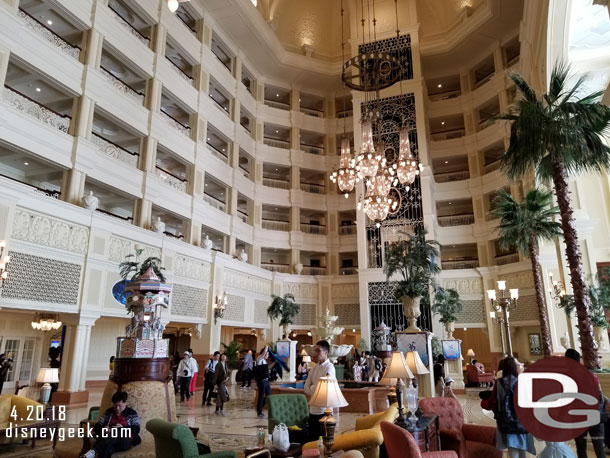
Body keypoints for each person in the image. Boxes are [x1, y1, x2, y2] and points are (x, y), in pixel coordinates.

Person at [565, 348, 606, 458]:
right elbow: (600, 395)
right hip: (595, 415)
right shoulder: (591, 375)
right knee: (599, 448)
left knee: (581, 448)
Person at [495, 357, 536, 457]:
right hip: (521, 421)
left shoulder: (499, 383)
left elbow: (499, 402)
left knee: (512, 450)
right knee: (523, 450)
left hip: (507, 421)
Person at [83, 391, 141, 458]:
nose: (117, 408)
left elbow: (136, 429)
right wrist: (104, 429)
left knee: (118, 430)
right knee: (106, 449)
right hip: (108, 440)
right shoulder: (109, 412)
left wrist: (123, 428)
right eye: (115, 406)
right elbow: (97, 425)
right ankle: (95, 451)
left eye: (120, 406)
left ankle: (94, 451)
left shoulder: (132, 413)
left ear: (125, 403)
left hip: (124, 441)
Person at [304, 340, 336, 442]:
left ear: (326, 352)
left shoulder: (330, 367)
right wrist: (314, 388)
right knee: (312, 440)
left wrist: (313, 387)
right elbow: (306, 387)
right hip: (313, 410)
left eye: (318, 351)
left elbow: (323, 388)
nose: (316, 353)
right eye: (315, 350)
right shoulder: (314, 368)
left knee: (325, 441)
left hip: (324, 411)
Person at [254, 346, 276, 418]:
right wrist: (266, 347)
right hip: (261, 381)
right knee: (261, 396)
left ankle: (260, 409)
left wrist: (275, 362)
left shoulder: (264, 361)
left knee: (268, 396)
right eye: (267, 354)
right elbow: (263, 353)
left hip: (266, 381)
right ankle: (259, 412)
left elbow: (268, 368)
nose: (268, 355)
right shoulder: (259, 359)